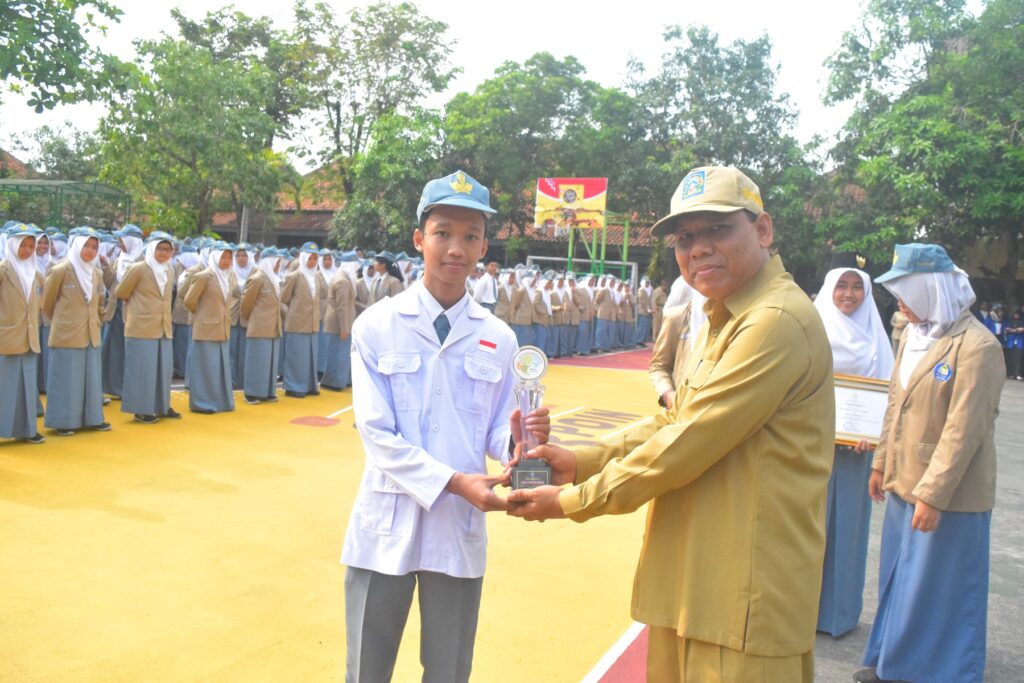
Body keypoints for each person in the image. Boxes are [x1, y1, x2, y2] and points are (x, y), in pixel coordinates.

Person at [507, 166, 834, 682]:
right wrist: (582, 461)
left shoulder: (775, 320)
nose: (698, 248)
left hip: (742, 592)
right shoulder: (725, 316)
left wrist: (572, 500)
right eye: (684, 238)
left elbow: (687, 442)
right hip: (695, 580)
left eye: (717, 229)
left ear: (763, 230)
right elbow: (676, 416)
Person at [341, 170, 549, 683]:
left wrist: (521, 443)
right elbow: (376, 434)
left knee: (448, 671)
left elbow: (497, 430)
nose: (456, 248)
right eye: (442, 233)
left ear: (483, 247)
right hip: (386, 523)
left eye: (470, 236)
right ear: (419, 239)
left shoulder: (498, 337)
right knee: (367, 669)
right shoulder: (377, 325)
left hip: (457, 528)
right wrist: (455, 481)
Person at [855, 244, 1004, 683]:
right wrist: (881, 463)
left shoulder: (977, 347)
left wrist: (933, 496)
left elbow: (964, 430)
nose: (900, 304)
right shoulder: (913, 336)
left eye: (906, 293)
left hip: (948, 494)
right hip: (904, 480)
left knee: (941, 586)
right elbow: (895, 404)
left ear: (931, 290)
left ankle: (941, 672)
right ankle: (894, 663)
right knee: (902, 578)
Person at [812, 257, 895, 638]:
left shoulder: (876, 336)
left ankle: (838, 615)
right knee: (808, 528)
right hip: (811, 445)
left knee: (848, 530)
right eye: (842, 286)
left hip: (857, 452)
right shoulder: (812, 329)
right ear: (829, 289)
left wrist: (873, 436)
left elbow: (888, 396)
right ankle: (801, 610)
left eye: (857, 286)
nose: (849, 294)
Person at [41, 227, 109, 436]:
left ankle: (92, 418)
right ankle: (63, 421)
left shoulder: (96, 272)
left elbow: (99, 301)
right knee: (66, 377)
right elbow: (47, 303)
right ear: (76, 246)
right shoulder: (61, 270)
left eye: (94, 247)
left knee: (90, 378)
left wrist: (97, 320)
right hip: (67, 333)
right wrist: (63, 322)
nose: (90, 251)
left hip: (90, 332)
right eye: (86, 246)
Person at [116, 231, 179, 424]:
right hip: (142, 326)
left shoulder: (169, 270)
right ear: (151, 249)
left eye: (168, 250)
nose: (164, 253)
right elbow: (121, 291)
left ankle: (161, 405)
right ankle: (141, 409)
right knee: (142, 370)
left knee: (162, 369)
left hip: (163, 326)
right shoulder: (139, 268)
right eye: (160, 249)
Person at [0, 224, 45, 444]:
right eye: (23, 245)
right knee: (4, 384)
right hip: (6, 336)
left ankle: (27, 429)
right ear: (12, 245)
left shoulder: (34, 272)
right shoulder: (3, 270)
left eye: (30, 246)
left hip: (28, 336)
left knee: (26, 384)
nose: (27, 250)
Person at [184, 242, 237, 414]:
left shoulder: (229, 276)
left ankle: (221, 402)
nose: (227, 261)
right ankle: (203, 403)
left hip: (222, 328)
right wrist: (202, 315)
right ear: (215, 258)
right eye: (223, 257)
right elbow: (189, 300)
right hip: (206, 329)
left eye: (229, 257)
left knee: (220, 367)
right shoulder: (204, 276)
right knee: (205, 367)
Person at [101, 224, 144, 400]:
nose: (119, 244)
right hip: (115, 309)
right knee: (113, 350)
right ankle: (113, 387)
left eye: (122, 240)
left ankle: (127, 388)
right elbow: (110, 283)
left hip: (132, 310)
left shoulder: (142, 261)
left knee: (129, 351)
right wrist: (106, 266)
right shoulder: (121, 258)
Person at [280, 242, 323, 398]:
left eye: (315, 259)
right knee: (296, 357)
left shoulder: (316, 277)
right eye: (309, 258)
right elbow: (283, 299)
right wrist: (292, 314)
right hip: (297, 323)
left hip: (312, 323)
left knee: (310, 357)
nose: (312, 262)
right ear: (303, 259)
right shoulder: (294, 276)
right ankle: (293, 386)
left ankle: (309, 385)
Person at [240, 247, 283, 404]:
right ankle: (252, 393)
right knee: (257, 361)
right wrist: (251, 320)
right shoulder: (257, 278)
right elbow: (246, 303)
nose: (279, 265)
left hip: (273, 326)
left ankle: (267, 391)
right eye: (277, 262)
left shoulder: (274, 278)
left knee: (269, 362)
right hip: (259, 326)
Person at [321, 257, 355, 391]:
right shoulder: (343, 281)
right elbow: (341, 306)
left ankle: (337, 380)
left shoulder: (340, 277)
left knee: (336, 353)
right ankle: (335, 382)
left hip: (337, 321)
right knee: (339, 354)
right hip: (339, 323)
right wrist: (344, 328)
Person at [230, 243, 255, 390]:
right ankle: (230, 381)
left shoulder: (255, 273)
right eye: (238, 255)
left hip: (249, 316)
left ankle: (243, 381)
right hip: (232, 316)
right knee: (231, 351)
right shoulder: (229, 272)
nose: (241, 258)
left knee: (245, 351)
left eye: (244, 255)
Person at [509, 267, 534, 347]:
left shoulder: (531, 290)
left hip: (528, 318)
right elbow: (516, 304)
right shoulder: (522, 290)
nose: (533, 282)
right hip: (521, 319)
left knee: (527, 339)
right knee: (521, 340)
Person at [573, 274, 595, 356]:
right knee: (581, 332)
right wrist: (579, 306)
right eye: (590, 280)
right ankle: (579, 349)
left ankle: (585, 349)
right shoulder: (580, 289)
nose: (591, 282)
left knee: (587, 333)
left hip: (590, 315)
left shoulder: (592, 290)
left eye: (593, 281)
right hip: (582, 314)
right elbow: (574, 297)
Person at [1005, 309, 1024, 380]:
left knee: (1019, 359)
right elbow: (1007, 329)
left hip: (1020, 342)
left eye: (1017, 314)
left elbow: (1021, 330)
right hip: (1011, 343)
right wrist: (1016, 330)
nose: (1016, 316)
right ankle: (1012, 373)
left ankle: (1018, 373)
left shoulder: (1022, 322)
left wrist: (1014, 330)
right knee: (1011, 358)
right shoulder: (1010, 321)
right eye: (1015, 314)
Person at [635, 276, 653, 345]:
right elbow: (641, 301)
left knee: (646, 327)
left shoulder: (650, 289)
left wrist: (650, 309)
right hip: (642, 310)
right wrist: (647, 309)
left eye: (648, 282)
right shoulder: (641, 289)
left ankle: (643, 340)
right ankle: (638, 340)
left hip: (648, 311)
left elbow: (650, 300)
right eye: (646, 282)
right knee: (641, 326)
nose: (647, 284)